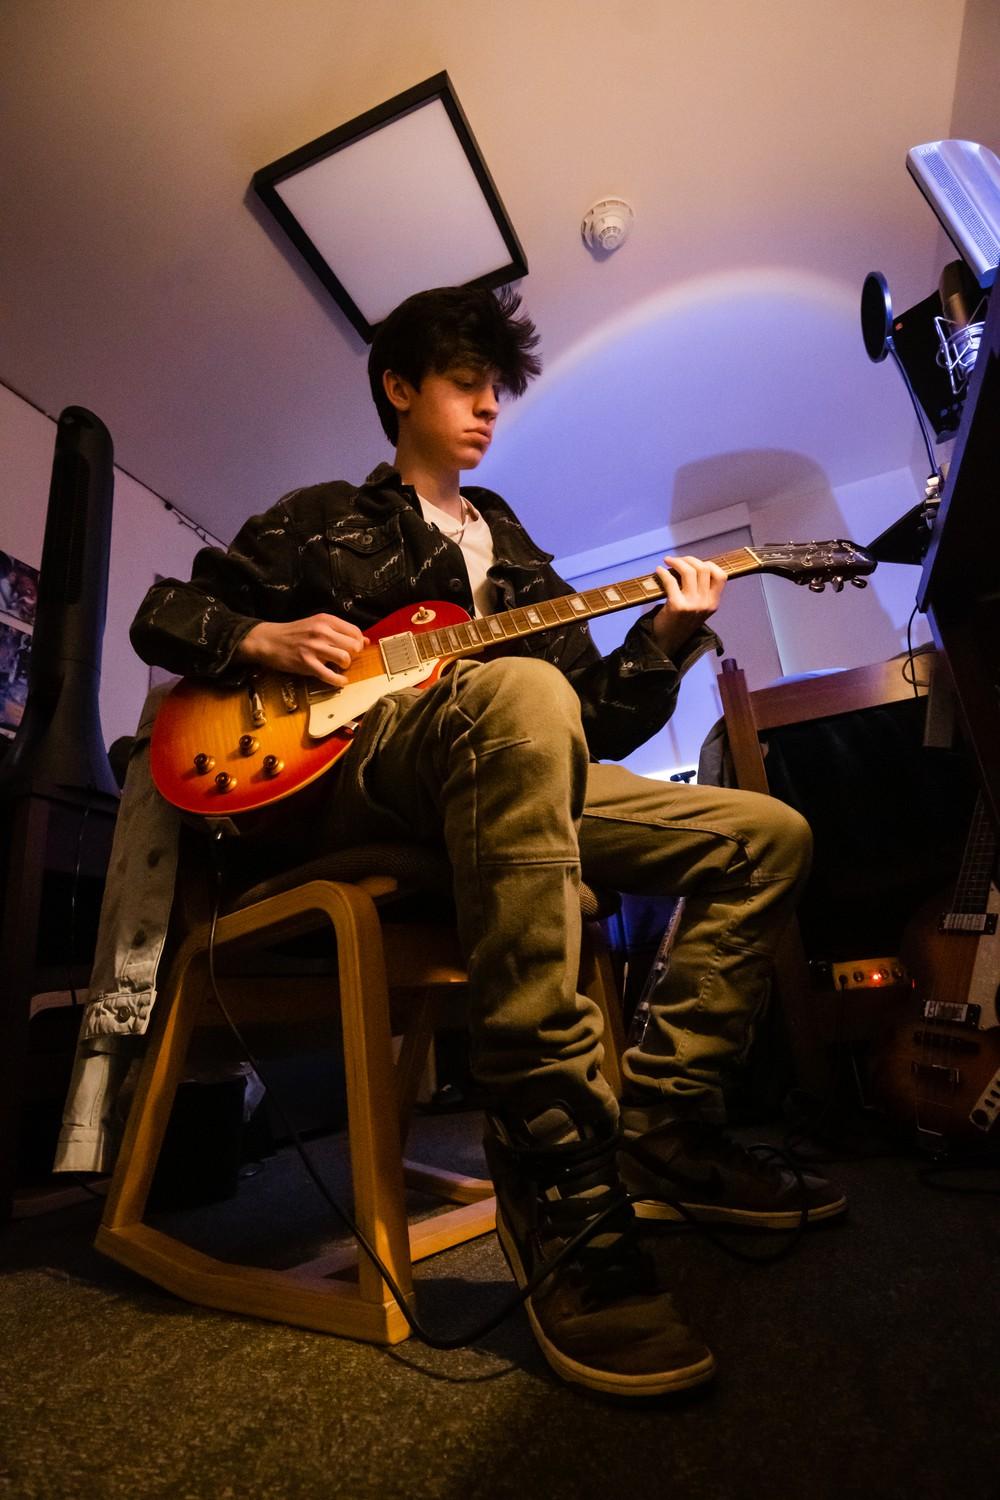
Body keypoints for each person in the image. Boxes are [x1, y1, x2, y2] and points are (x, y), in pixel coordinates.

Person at [129, 285, 845, 1399]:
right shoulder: (321, 518)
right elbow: (164, 615)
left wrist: (665, 631)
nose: (488, 409)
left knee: (766, 833)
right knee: (513, 693)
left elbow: (589, 717)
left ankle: (661, 1118)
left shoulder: (508, 542)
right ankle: (551, 1152)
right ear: (400, 387)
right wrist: (262, 631)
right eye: (467, 384)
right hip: (360, 776)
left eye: (497, 391)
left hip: (508, 754)